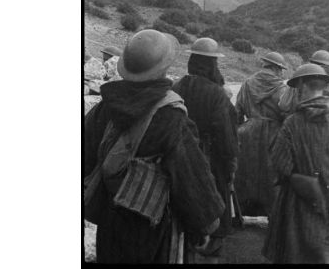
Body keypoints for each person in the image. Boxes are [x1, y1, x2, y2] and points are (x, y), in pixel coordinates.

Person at [84, 29, 225, 264]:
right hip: (152, 226)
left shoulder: (104, 108)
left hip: (110, 221)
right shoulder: (170, 117)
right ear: (163, 68)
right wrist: (206, 224)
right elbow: (191, 178)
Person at [263, 63, 329, 264]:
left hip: (301, 198)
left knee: (302, 249)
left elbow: (279, 163)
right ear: (324, 86)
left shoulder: (292, 122)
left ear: (302, 86)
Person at [172, 37, 238, 263]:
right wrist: (230, 166)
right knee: (214, 218)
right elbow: (226, 140)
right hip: (209, 161)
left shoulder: (176, 86)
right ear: (213, 64)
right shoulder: (216, 93)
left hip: (178, 158)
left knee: (183, 219)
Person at [234, 51, 288, 216]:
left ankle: (240, 211)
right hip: (274, 133)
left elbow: (237, 111)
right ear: (277, 68)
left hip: (248, 131)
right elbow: (286, 114)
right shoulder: (282, 88)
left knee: (246, 172)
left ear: (265, 65)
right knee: (272, 174)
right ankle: (272, 213)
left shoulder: (247, 83)